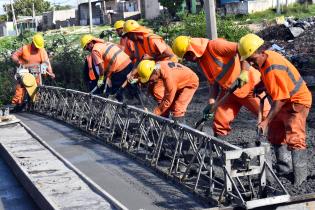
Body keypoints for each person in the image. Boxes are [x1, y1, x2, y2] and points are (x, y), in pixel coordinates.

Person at [238, 33, 312, 186]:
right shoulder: (266, 58)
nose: (251, 64)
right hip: (284, 101)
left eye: (252, 59)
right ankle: (284, 171)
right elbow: (274, 82)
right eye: (249, 60)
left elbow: (279, 99)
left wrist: (265, 121)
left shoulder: (273, 67)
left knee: (295, 138)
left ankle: (300, 181)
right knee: (276, 134)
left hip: (296, 102)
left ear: (260, 51)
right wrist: (261, 85)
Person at [172, 36, 270, 138]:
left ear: (191, 50)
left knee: (268, 117)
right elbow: (213, 84)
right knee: (220, 122)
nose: (187, 59)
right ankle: (221, 150)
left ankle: (281, 147)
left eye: (186, 56)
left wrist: (244, 72)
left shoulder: (216, 46)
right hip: (229, 91)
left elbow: (243, 50)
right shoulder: (200, 62)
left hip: (249, 86)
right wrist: (211, 103)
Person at [80, 34, 133, 101]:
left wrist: (101, 78)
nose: (87, 50)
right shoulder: (105, 43)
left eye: (86, 48)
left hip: (119, 69)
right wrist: (108, 75)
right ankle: (138, 103)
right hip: (128, 63)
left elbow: (101, 66)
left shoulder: (95, 50)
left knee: (116, 91)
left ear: (90, 43)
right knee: (130, 86)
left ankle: (121, 106)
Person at [11, 33, 55, 106]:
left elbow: (47, 63)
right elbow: (14, 56)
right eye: (36, 46)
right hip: (24, 73)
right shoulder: (24, 48)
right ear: (33, 42)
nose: (37, 48)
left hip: (36, 74)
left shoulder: (42, 51)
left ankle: (35, 105)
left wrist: (51, 72)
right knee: (20, 90)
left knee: (36, 90)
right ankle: (17, 105)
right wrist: (17, 62)